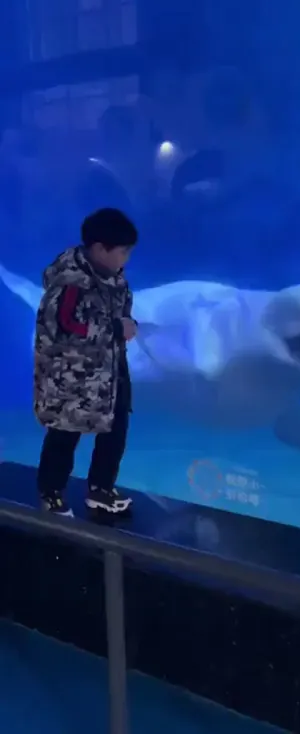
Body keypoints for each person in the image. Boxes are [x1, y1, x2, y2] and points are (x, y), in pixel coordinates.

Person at [35, 207, 138, 518]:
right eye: (122, 252)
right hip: (72, 375)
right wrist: (117, 329)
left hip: (110, 370)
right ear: (99, 248)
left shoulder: (114, 279)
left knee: (116, 428)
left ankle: (100, 489)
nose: (126, 259)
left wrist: (123, 326)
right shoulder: (71, 281)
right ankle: (50, 492)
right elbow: (64, 327)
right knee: (65, 432)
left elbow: (118, 314)